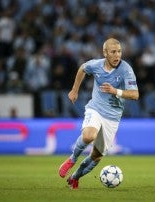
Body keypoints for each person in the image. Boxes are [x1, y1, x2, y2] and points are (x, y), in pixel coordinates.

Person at [58, 38, 139, 189]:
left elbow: (135, 95)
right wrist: (74, 90)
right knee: (89, 135)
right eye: (113, 52)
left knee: (97, 155)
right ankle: (72, 159)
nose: (117, 55)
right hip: (95, 108)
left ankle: (75, 177)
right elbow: (82, 68)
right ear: (105, 53)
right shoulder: (96, 65)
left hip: (113, 117)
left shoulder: (126, 70)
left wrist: (116, 91)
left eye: (119, 52)